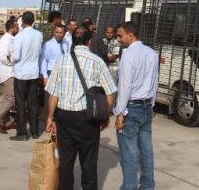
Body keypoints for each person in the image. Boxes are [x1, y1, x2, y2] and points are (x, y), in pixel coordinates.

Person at [45, 27, 117, 190]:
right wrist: (105, 115)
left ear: (73, 41)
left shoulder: (62, 61)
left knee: (66, 162)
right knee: (88, 163)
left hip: (64, 118)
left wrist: (50, 117)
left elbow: (53, 94)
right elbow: (111, 91)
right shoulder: (97, 61)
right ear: (89, 41)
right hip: (88, 119)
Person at [114, 21, 159, 190]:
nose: (118, 39)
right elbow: (154, 82)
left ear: (130, 35)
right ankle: (148, 185)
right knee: (146, 149)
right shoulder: (152, 53)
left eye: (120, 36)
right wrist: (152, 105)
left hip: (131, 108)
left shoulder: (128, 55)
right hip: (146, 107)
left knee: (129, 152)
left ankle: (129, 186)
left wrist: (120, 113)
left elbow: (124, 86)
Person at [10, 11, 43, 141]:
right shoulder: (39, 35)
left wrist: (11, 58)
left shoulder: (19, 36)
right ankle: (35, 131)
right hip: (34, 72)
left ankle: (22, 133)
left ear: (22, 21)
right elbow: (40, 52)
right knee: (33, 103)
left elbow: (17, 56)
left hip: (21, 74)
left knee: (20, 104)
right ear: (33, 21)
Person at [0, 19, 19, 134]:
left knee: (7, 98)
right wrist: (14, 62)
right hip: (7, 73)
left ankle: (5, 121)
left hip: (9, 72)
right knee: (12, 97)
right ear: (12, 28)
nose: (18, 29)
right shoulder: (5, 40)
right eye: (17, 27)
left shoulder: (11, 39)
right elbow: (3, 57)